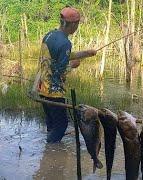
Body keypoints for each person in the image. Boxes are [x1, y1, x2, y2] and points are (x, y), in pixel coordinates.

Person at [37, 6, 97, 143]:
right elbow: (60, 72)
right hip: (55, 93)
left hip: (43, 89)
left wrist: (86, 53)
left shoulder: (50, 35)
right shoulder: (65, 43)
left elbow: (57, 58)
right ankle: (51, 151)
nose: (77, 27)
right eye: (78, 24)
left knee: (51, 123)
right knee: (61, 125)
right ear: (73, 24)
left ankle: (50, 147)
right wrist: (73, 65)